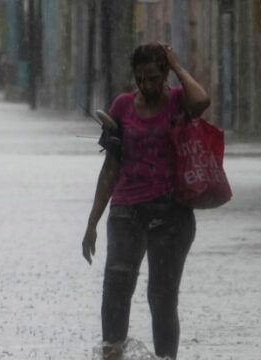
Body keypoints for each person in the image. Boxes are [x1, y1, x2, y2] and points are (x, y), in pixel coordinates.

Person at [81, 43, 210, 360]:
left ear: (165, 74)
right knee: (115, 290)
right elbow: (111, 167)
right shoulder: (122, 107)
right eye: (141, 79)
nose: (147, 85)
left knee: (162, 297)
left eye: (154, 78)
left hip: (172, 216)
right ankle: (112, 355)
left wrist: (179, 67)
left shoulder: (180, 102)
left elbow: (202, 101)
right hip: (126, 213)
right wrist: (92, 222)